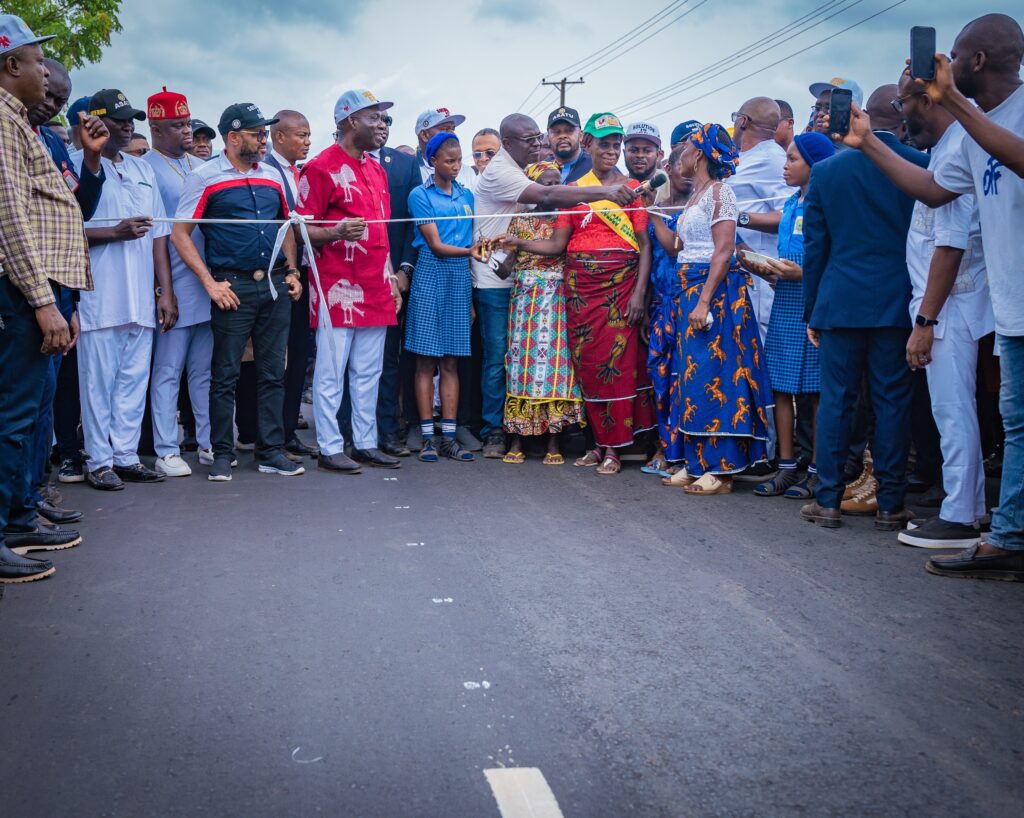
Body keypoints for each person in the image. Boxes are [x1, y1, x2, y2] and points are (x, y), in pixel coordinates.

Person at [836, 14, 1024, 579]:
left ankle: (995, 527)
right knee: (1015, 423)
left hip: (988, 302)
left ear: (977, 62)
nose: (939, 71)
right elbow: (935, 191)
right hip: (1012, 305)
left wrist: (955, 104)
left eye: (953, 59)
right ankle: (1010, 536)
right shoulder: (970, 134)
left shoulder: (1002, 116)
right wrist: (868, 143)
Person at [800, 84, 929, 530]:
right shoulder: (921, 166)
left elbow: (816, 246)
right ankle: (891, 504)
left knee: (837, 401)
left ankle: (829, 499)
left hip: (839, 300)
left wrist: (812, 308)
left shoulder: (828, 172)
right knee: (893, 402)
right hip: (898, 301)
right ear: (901, 116)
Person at [471, 112, 637, 460]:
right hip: (497, 281)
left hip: (540, 289)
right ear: (510, 143)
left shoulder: (523, 169)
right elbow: (546, 195)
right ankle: (496, 432)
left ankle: (550, 434)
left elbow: (557, 241)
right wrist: (606, 191)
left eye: (538, 138)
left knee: (550, 361)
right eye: (530, 140)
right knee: (502, 359)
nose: (538, 144)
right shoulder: (501, 170)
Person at [504, 112, 655, 475]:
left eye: (616, 144)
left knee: (617, 367)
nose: (612, 150)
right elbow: (557, 244)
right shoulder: (575, 190)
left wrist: (638, 295)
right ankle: (597, 443)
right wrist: (517, 240)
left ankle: (617, 448)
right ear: (587, 143)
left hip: (620, 289)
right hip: (579, 291)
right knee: (586, 368)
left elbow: (645, 245)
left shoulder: (631, 189)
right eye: (605, 143)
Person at [882, 69, 994, 549]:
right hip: (950, 302)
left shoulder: (957, 147)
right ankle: (967, 505)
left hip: (951, 305)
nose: (902, 113)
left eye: (905, 101)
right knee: (955, 410)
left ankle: (961, 515)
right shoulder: (946, 149)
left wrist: (925, 322)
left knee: (953, 411)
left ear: (926, 101)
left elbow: (949, 246)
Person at [0, 15, 90, 583]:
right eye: (36, 60)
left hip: (40, 290)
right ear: (10, 65)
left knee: (26, 412)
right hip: (23, 292)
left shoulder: (18, 123)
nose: (43, 70)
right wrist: (42, 300)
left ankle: (16, 519)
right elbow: (9, 216)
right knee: (11, 415)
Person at [172, 102, 304, 481]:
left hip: (275, 284)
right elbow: (180, 234)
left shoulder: (273, 176)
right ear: (232, 137)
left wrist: (292, 271)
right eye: (256, 133)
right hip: (233, 285)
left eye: (264, 133)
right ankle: (221, 453)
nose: (263, 140)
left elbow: (286, 226)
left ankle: (270, 451)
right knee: (225, 374)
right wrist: (209, 283)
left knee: (271, 374)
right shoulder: (205, 177)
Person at [650, 124, 772, 495]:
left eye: (684, 150)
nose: (679, 158)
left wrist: (704, 301)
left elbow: (723, 249)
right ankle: (698, 460)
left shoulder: (722, 193)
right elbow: (675, 247)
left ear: (699, 154)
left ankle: (723, 468)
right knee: (694, 377)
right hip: (689, 288)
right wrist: (652, 210)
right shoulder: (696, 196)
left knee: (719, 374)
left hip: (715, 293)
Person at [297, 90, 403, 473]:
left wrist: (390, 275)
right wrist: (337, 231)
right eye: (374, 117)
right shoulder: (320, 167)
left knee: (369, 371)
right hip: (335, 284)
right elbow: (302, 232)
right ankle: (329, 447)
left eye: (383, 118)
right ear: (349, 121)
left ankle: (365, 442)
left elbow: (382, 231)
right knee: (331, 370)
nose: (382, 125)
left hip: (375, 282)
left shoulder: (376, 169)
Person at [75, 88, 175, 491]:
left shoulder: (142, 169)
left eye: (129, 119)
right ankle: (98, 460)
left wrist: (164, 292)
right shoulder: (76, 165)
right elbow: (63, 231)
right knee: (98, 383)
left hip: (139, 295)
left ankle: (126, 456)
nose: (126, 125)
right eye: (117, 119)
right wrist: (112, 233)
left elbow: (160, 237)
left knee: (134, 380)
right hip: (100, 295)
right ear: (94, 121)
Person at [25, 57, 106, 520]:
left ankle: (33, 495)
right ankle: (18, 508)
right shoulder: (13, 134)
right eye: (49, 93)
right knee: (19, 406)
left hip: (56, 290)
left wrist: (90, 157)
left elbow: (76, 215)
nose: (50, 104)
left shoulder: (52, 144)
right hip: (23, 288)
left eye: (58, 100)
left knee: (40, 403)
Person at [741, 132, 836, 499]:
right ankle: (786, 468)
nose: (786, 165)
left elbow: (835, 257)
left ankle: (816, 470)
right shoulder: (793, 202)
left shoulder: (827, 204)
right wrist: (765, 268)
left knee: (815, 392)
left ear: (815, 165)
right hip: (785, 298)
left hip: (815, 301)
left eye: (793, 159)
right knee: (780, 386)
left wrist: (803, 272)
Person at [144, 86, 214, 478]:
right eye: (177, 125)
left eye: (188, 123)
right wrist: (163, 290)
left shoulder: (199, 164)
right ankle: (166, 449)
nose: (187, 132)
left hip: (207, 278)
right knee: (169, 370)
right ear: (156, 128)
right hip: (173, 277)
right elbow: (157, 237)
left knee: (203, 370)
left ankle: (205, 443)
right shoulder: (147, 167)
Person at [500, 161, 585, 464]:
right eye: (546, 184)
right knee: (521, 366)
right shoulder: (519, 219)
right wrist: (495, 259)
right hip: (525, 300)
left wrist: (518, 246)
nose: (552, 190)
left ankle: (554, 441)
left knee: (557, 368)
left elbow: (559, 250)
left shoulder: (565, 217)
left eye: (556, 184)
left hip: (557, 298)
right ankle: (517, 439)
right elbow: (506, 265)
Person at [405, 132, 479, 462]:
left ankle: (448, 437)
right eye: (449, 160)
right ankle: (426, 438)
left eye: (459, 160)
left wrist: (470, 256)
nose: (456, 165)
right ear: (432, 160)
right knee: (425, 360)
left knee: (451, 360)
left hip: (460, 275)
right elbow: (434, 244)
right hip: (431, 270)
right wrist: (471, 252)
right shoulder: (419, 195)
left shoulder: (466, 196)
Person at [264, 109, 316, 461]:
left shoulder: (307, 172)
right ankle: (268, 435)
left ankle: (288, 430)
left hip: (308, 272)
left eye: (309, 134)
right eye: (301, 135)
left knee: (300, 352)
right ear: (279, 137)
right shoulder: (266, 170)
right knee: (273, 358)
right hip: (279, 273)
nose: (307, 141)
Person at [641, 143, 690, 476]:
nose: (688, 173)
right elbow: (648, 255)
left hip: (690, 302)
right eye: (682, 166)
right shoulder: (655, 206)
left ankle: (689, 451)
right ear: (668, 170)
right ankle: (664, 446)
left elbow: (675, 251)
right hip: (660, 303)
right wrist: (643, 304)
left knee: (687, 379)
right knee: (660, 377)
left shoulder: (700, 208)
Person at [414, 107, 475, 187]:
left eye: (453, 129)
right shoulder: (411, 171)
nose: (451, 134)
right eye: (444, 129)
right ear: (424, 135)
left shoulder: (467, 171)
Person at [547, 106, 592, 184]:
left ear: (580, 135)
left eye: (569, 131)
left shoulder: (595, 167)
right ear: (548, 138)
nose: (562, 136)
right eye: (556, 132)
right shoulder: (539, 169)